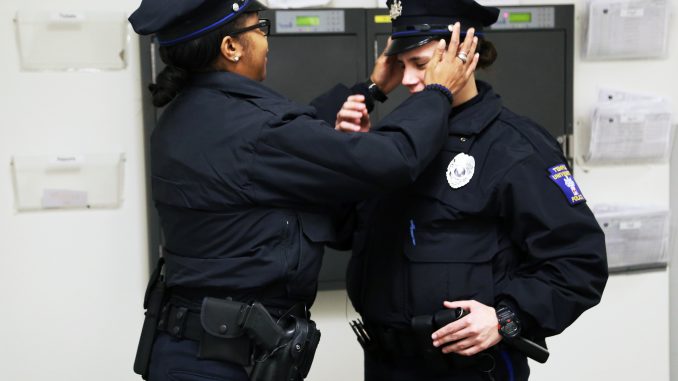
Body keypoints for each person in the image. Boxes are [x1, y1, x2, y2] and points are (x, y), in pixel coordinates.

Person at [127, 0, 480, 380]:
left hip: (188, 348)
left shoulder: (186, 116)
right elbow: (394, 157)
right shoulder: (256, 129)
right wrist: (438, 91)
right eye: (259, 28)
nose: (266, 40)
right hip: (222, 361)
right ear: (231, 47)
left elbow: (284, 139)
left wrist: (373, 89)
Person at [336, 1, 609, 380]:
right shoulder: (393, 140)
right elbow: (345, 229)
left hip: (468, 369)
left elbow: (579, 263)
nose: (411, 80)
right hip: (387, 363)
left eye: (421, 63)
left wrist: (505, 318)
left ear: (465, 55)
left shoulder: (514, 146)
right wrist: (348, 155)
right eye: (401, 66)